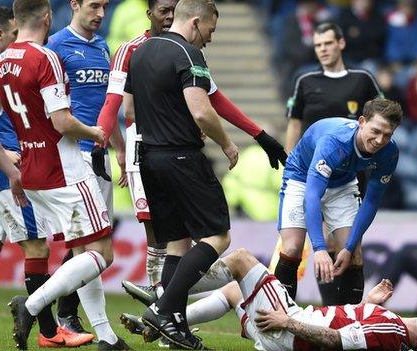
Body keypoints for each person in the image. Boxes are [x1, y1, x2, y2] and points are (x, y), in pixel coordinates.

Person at [94, 0, 286, 289]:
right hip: (147, 148)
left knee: (178, 238)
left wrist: (258, 134)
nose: (170, 18)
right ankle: (161, 303)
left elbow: (213, 98)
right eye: (163, 12)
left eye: (174, 11)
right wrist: (104, 142)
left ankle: (165, 308)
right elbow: (116, 105)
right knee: (161, 237)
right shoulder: (133, 49)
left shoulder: (183, 49)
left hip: (169, 148)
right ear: (149, 15)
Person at [0, 0, 129, 349]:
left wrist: (11, 171)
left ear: (17, 21)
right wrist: (96, 133)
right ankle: (31, 305)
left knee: (81, 251)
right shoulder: (47, 57)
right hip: (67, 170)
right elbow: (61, 122)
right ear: (47, 17)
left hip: (31, 173)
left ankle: (106, 337)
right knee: (102, 254)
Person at [0, 5, 92, 348]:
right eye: (12, 34)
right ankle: (48, 332)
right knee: (37, 246)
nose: (16, 39)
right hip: (2, 174)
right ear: (0, 34)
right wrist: (4, 152)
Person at [120, 0, 251, 348]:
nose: (209, 38)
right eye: (210, 30)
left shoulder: (141, 51)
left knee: (177, 242)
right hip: (181, 156)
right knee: (217, 236)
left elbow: (129, 108)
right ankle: (163, 309)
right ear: (195, 22)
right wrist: (227, 144)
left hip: (148, 157)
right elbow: (201, 110)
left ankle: (175, 324)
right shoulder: (189, 54)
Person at [124, 248, 417, 351]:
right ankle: (164, 322)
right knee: (233, 290)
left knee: (240, 260)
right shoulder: (392, 328)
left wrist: (288, 322)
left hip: (288, 330)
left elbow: (335, 338)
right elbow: (356, 331)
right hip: (288, 331)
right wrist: (370, 302)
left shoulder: (394, 332)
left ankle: (165, 299)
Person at [46, 0, 126, 343]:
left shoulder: (102, 46)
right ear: (74, 5)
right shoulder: (56, 46)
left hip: (100, 153)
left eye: (105, 7)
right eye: (94, 6)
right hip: (73, 156)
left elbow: (106, 104)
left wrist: (120, 147)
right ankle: (66, 314)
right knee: (90, 244)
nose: (101, 14)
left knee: (89, 243)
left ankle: (62, 312)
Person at [276, 98, 402, 310]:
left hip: (343, 182)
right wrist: (319, 248)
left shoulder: (390, 153)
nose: (380, 140)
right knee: (292, 247)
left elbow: (371, 201)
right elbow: (312, 195)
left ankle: (346, 330)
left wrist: (350, 246)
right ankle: (280, 320)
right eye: (376, 131)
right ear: (362, 121)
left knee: (353, 255)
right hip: (302, 177)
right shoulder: (334, 141)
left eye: (387, 135)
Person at [285, 22, 381, 152]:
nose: (322, 49)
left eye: (328, 43)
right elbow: (294, 125)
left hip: (352, 162)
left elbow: (382, 118)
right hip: (311, 161)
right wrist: (288, 166)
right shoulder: (304, 80)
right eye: (318, 45)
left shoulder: (363, 77)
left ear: (341, 43)